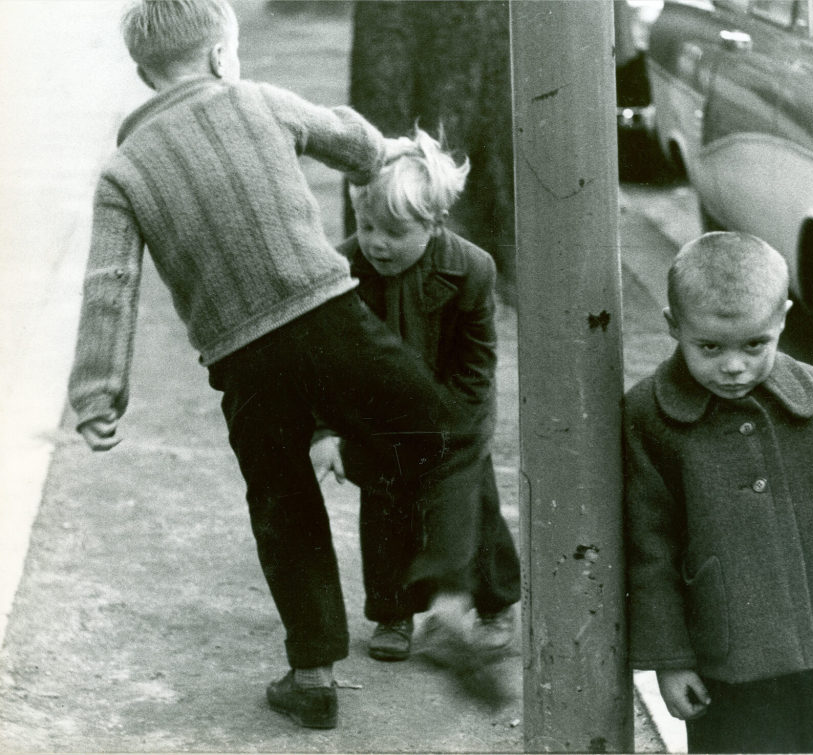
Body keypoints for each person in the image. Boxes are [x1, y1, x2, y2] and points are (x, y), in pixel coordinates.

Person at [68, 0, 482, 730]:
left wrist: (99, 393)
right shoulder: (255, 99)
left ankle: (313, 673)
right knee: (435, 429)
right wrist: (386, 151)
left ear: (144, 75)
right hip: (329, 318)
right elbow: (349, 142)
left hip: (242, 363)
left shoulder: (123, 173)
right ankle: (448, 596)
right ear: (225, 55)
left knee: (283, 504)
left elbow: (111, 287)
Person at [623, 231, 813, 753]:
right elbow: (650, 551)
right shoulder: (650, 418)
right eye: (710, 347)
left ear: (782, 319)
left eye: (755, 344)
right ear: (674, 327)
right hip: (725, 659)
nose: (734, 366)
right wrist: (671, 662)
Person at [310, 127, 520, 666]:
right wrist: (326, 430)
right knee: (385, 508)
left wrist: (452, 433)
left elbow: (476, 364)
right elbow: (323, 362)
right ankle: (392, 609)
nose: (377, 242)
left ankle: (493, 602)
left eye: (394, 232)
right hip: (379, 419)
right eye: (367, 226)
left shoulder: (472, 269)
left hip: (455, 411)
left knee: (472, 503)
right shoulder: (343, 268)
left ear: (433, 223)